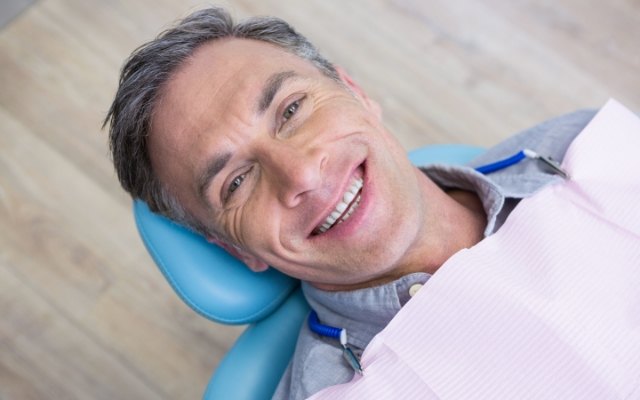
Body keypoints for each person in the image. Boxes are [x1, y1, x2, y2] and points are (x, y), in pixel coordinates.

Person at [104, 7, 595, 399]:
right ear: (237, 251)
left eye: (291, 110)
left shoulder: (587, 146)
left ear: (354, 92)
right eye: (235, 183)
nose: (301, 174)